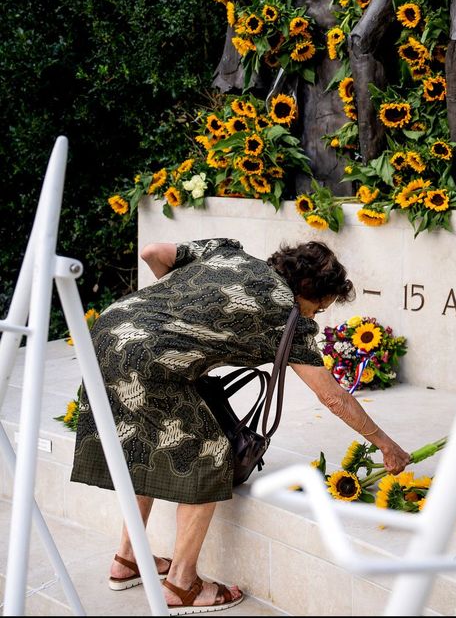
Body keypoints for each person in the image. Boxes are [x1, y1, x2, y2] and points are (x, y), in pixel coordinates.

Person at [70, 238, 411, 613]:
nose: (315, 318)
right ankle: (183, 585)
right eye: (318, 308)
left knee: (140, 444)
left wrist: (177, 314)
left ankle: (127, 560)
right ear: (307, 292)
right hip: (150, 362)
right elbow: (332, 397)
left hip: (103, 337)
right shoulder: (288, 317)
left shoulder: (227, 252)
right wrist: (384, 443)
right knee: (211, 454)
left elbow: (153, 252)